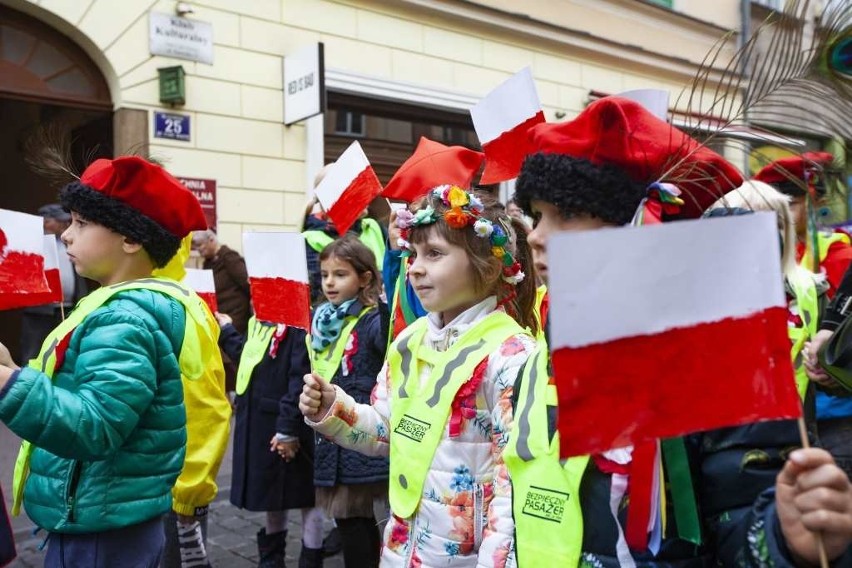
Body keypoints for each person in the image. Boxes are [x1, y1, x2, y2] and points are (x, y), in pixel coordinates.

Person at [508, 95, 852, 566]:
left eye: (564, 214)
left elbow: (738, 517)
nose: (535, 235)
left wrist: (784, 537)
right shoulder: (547, 339)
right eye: (535, 215)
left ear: (637, 230)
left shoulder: (719, 359)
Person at [301, 188, 539, 567]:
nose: (414, 268)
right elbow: (386, 430)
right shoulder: (409, 342)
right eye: (413, 254)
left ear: (489, 268)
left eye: (435, 254)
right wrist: (337, 409)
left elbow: (511, 493)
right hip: (401, 549)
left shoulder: (511, 357)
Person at [0, 156, 216, 566]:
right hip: (107, 514)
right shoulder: (116, 308)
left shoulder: (123, 319)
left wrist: (8, 385)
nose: (65, 236)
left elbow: (94, 426)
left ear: (131, 238)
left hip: (104, 529)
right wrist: (16, 369)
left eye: (81, 223)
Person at [304, 236, 389, 568]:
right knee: (350, 521)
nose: (329, 282)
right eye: (325, 274)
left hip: (359, 434)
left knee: (354, 520)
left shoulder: (370, 319)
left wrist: (387, 296)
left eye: (340, 274)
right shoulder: (323, 318)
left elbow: (386, 338)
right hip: (331, 435)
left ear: (365, 278)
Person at [216, 307, 324, 568]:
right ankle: (271, 560)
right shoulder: (261, 320)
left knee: (307, 498)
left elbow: (300, 380)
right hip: (267, 427)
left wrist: (287, 429)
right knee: (273, 497)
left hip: (290, 428)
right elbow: (248, 356)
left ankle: (311, 558)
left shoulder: (299, 325)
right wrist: (227, 331)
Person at [753, 151, 852, 298]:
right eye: (771, 207)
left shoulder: (843, 259)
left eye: (790, 205)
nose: (780, 215)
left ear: (818, 204)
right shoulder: (762, 259)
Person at [19, 203, 88, 363]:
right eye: (60, 221)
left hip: (68, 307)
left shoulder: (69, 241)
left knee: (66, 349)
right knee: (33, 350)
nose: (65, 224)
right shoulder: (33, 244)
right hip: (40, 311)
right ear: (46, 222)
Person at [192, 229, 252, 334]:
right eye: (196, 247)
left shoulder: (230, 258)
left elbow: (248, 285)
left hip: (235, 321)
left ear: (211, 240)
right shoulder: (208, 262)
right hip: (219, 319)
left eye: (200, 245)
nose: (198, 250)